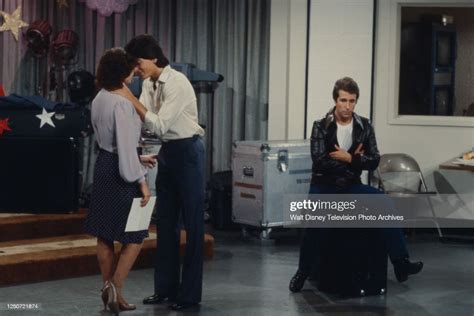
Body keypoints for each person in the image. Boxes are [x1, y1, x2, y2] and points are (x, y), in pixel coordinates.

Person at [289, 77, 423, 292]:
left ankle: (401, 263)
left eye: (352, 101)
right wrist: (355, 159)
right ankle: (302, 272)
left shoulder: (364, 125)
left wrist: (348, 158)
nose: (347, 106)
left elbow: (375, 160)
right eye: (343, 100)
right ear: (335, 100)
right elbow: (320, 161)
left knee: (385, 204)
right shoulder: (320, 126)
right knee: (315, 225)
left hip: (351, 185)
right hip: (324, 186)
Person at [115, 34, 206, 311]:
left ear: (154, 58)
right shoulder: (148, 83)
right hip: (167, 153)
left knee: (192, 225)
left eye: (139, 62)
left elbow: (158, 126)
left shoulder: (177, 82)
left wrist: (128, 96)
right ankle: (165, 289)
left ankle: (189, 295)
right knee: (165, 224)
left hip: (188, 151)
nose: (137, 69)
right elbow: (145, 126)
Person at [84, 48, 156, 314]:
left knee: (104, 235)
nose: (135, 73)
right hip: (121, 174)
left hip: (104, 166)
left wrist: (139, 158)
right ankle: (114, 287)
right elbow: (125, 151)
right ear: (123, 73)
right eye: (131, 70)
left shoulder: (100, 98)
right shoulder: (123, 104)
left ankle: (111, 293)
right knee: (135, 235)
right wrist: (142, 181)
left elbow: (114, 145)